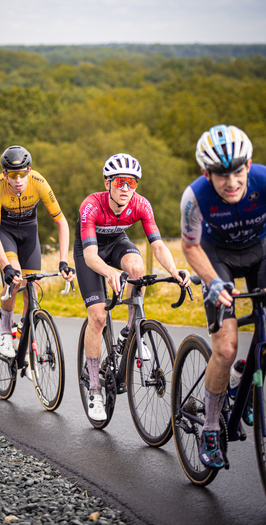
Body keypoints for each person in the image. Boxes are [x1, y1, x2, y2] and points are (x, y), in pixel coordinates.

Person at [74, 153, 190, 421]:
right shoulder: (91, 205)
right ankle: (94, 388)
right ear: (108, 183)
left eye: (132, 183)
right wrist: (109, 272)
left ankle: (130, 332)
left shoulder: (141, 205)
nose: (126, 188)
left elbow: (158, 245)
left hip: (117, 242)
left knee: (138, 269)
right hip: (89, 251)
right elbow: (91, 257)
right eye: (120, 182)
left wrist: (173, 270)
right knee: (99, 316)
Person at [180, 124, 265, 469]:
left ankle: (248, 375)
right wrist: (213, 281)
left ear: (248, 165)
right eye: (220, 174)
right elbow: (190, 245)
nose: (231, 182)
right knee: (226, 346)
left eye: (237, 171)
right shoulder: (195, 198)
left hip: (261, 249)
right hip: (218, 257)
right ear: (206, 172)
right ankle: (212, 428)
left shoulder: (263, 181)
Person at [0, 145, 75, 366]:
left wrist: (63, 260)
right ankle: (5, 333)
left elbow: (62, 223)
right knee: (15, 279)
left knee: (33, 290)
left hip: (29, 235)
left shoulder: (39, 182)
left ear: (30, 170)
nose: (19, 179)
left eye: (23, 173)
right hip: (6, 235)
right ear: (5, 174)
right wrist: (5, 265)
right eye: (13, 175)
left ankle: (23, 342)